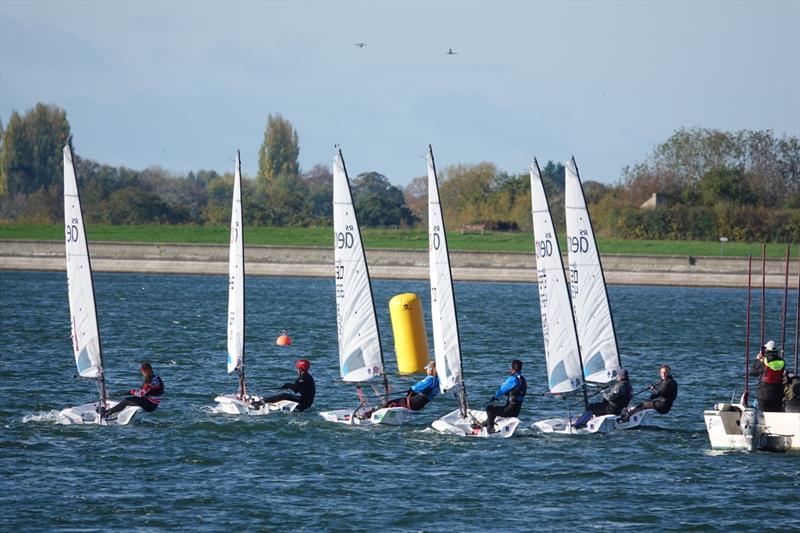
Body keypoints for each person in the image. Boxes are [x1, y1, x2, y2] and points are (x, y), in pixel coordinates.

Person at [362, 361, 440, 418]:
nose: (426, 370)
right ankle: (376, 413)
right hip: (421, 403)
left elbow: (417, 387)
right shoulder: (438, 380)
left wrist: (411, 389)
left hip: (415, 401)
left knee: (390, 403)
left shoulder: (431, 379)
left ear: (430, 370)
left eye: (427, 369)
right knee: (395, 404)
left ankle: (369, 415)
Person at [483, 359, 527, 434]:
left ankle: (490, 429)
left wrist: (495, 397)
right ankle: (484, 424)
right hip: (516, 411)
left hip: (509, 410)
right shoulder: (523, 380)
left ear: (513, 369)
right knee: (496, 411)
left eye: (510, 368)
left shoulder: (513, 379)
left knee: (490, 409)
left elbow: (501, 390)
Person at [749, 340, 785, 412]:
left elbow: (752, 372)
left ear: (766, 350)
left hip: (764, 395)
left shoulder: (764, 362)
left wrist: (757, 360)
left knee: (764, 417)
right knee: (776, 416)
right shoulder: (782, 362)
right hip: (777, 395)